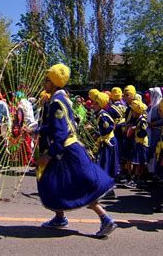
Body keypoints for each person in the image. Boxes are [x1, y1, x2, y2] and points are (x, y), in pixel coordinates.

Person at [36, 63, 117, 237]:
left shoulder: (57, 103)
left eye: (47, 80)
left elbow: (60, 133)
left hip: (65, 152)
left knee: (80, 185)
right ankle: (59, 217)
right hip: (68, 149)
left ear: (54, 83)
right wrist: (35, 130)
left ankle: (105, 218)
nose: (44, 83)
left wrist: (49, 155)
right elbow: (55, 126)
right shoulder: (62, 99)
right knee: (55, 183)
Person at [129, 99, 149, 187]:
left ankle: (138, 178)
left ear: (137, 112)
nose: (132, 112)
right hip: (138, 142)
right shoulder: (138, 120)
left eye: (133, 111)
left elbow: (144, 132)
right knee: (138, 161)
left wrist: (136, 129)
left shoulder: (142, 121)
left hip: (142, 143)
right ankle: (137, 178)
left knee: (139, 162)